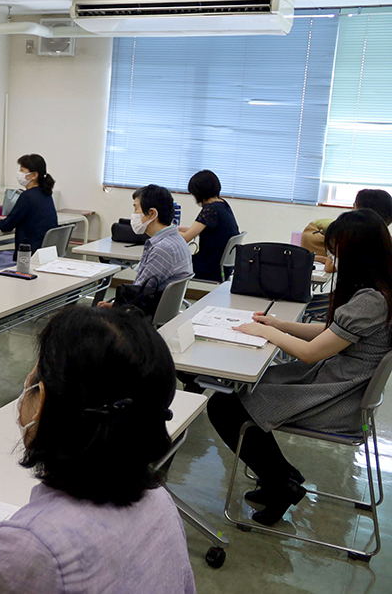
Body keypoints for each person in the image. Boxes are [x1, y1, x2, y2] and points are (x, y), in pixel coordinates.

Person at [0, 306, 195, 594]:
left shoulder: (33, 547)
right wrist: (10, 554)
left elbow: (49, 555)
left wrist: (21, 551)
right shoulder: (159, 502)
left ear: (41, 401)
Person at [208, 210, 392, 526]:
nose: (329, 257)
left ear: (357, 255)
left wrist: (269, 333)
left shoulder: (370, 300)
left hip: (338, 397)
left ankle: (280, 483)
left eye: (335, 251)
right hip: (338, 380)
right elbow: (331, 333)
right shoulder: (377, 290)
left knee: (225, 406)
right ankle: (282, 476)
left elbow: (309, 354)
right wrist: (280, 325)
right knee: (240, 395)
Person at [100, 184, 192, 314]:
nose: (133, 215)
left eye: (136, 209)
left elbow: (138, 294)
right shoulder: (176, 240)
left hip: (142, 317)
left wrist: (114, 307)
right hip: (156, 311)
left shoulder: (162, 249)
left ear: (152, 214)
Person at [0, 154, 59, 275]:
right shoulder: (45, 194)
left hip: (27, 256)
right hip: (42, 254)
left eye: (22, 170)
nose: (19, 173)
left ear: (34, 175)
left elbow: (7, 226)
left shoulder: (27, 196)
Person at [178, 170, 240, 282]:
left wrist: (162, 231)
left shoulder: (211, 209)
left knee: (168, 262)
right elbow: (201, 231)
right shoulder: (223, 204)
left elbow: (186, 238)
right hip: (223, 268)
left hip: (209, 268)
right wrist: (176, 229)